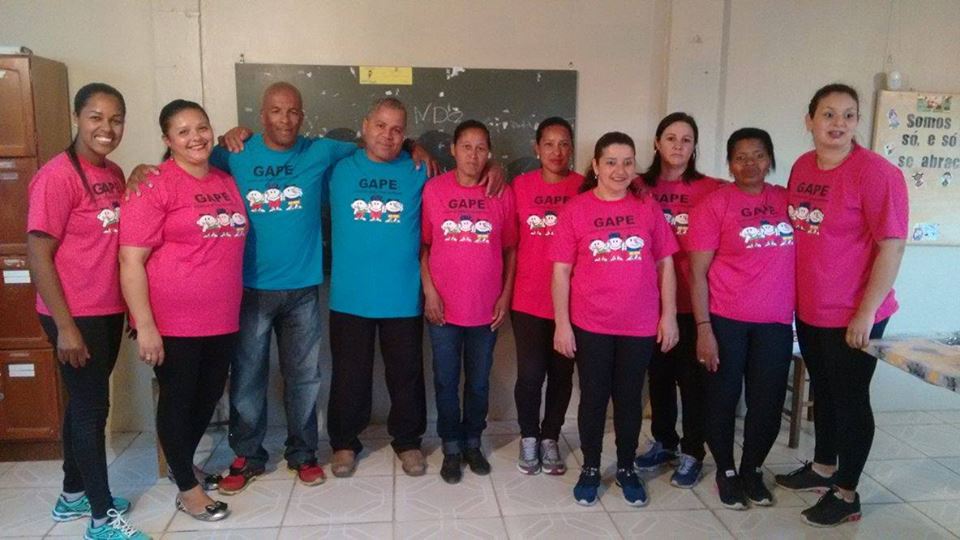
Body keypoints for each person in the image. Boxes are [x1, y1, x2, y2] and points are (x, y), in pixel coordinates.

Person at [773, 83, 908, 527]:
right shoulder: (802, 166)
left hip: (855, 312)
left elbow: (892, 246)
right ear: (809, 120)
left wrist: (865, 312)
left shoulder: (877, 174)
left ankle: (847, 493)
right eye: (828, 114)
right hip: (811, 307)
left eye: (848, 115)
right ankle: (823, 466)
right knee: (825, 392)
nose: (838, 123)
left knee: (850, 399)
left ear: (857, 122)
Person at [27, 83, 149, 540]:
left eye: (116, 119)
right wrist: (65, 328)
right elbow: (38, 255)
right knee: (92, 410)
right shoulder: (56, 177)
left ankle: (72, 494)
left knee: (83, 404)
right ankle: (101, 519)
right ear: (78, 117)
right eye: (96, 117)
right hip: (73, 314)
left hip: (106, 310)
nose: (107, 128)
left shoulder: (112, 172)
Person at [120, 99, 244, 522]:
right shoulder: (154, 184)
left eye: (202, 128)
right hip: (174, 320)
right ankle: (188, 491)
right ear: (168, 140)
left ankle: (182, 466)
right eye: (184, 131)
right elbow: (130, 260)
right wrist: (145, 325)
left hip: (222, 316)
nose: (196, 137)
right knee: (178, 399)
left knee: (208, 395)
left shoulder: (225, 180)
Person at [552, 131, 679, 507]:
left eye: (627, 162)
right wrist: (562, 324)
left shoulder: (647, 208)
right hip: (590, 324)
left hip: (639, 324)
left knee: (629, 399)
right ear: (595, 165)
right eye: (611, 162)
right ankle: (591, 468)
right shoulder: (577, 209)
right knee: (593, 399)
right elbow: (561, 272)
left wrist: (669, 315)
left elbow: (665, 263)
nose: (620, 170)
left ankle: (626, 467)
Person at [688, 128, 795, 510]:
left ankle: (753, 468)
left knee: (767, 402)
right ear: (730, 163)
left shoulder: (786, 200)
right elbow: (696, 274)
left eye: (758, 155)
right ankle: (727, 470)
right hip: (726, 320)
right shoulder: (715, 205)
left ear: (770, 159)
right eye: (741, 157)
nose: (750, 164)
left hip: (776, 322)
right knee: (722, 398)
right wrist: (704, 329)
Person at [325, 98, 430, 477]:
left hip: (402, 294)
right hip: (350, 296)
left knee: (406, 375)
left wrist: (495, 168)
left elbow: (463, 182)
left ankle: (408, 441)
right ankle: (343, 443)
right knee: (349, 376)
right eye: (381, 126)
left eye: (398, 129)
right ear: (365, 126)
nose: (388, 135)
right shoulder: (336, 168)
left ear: (406, 135)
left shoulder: (420, 169)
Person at [421, 120, 518, 484]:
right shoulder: (434, 190)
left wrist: (505, 296)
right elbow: (424, 246)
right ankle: (450, 446)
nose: (473, 156)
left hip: (485, 309)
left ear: (488, 153)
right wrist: (430, 291)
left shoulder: (501, 192)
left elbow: (510, 250)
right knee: (446, 381)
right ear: (453, 150)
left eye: (480, 148)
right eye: (466, 147)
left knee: (478, 382)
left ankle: (473, 442)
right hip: (443, 310)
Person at [634, 112, 724, 489]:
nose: (678, 146)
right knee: (659, 377)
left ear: (694, 146)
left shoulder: (713, 189)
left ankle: (693, 451)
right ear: (657, 143)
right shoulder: (638, 186)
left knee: (692, 381)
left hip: (694, 302)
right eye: (671, 138)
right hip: (649, 303)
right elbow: (594, 190)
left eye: (686, 140)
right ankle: (665, 442)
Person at [510, 117, 582, 475]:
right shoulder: (519, 186)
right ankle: (529, 436)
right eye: (549, 144)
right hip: (528, 299)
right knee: (530, 374)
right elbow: (510, 245)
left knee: (561, 374)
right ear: (536, 148)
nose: (557, 151)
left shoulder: (585, 187)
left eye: (564, 143)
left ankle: (550, 436)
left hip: (572, 303)